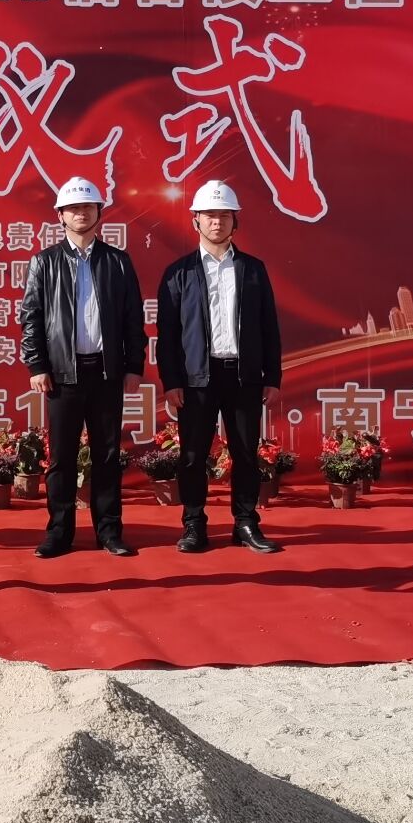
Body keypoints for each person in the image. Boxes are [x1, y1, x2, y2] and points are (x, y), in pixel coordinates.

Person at [154, 179, 285, 555]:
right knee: (193, 455)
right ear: (195, 220)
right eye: (209, 215)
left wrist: (272, 377)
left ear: (235, 221)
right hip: (196, 378)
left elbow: (268, 327)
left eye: (224, 215)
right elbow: (167, 334)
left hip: (244, 376)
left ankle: (245, 523)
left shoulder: (253, 270)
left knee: (245, 453)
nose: (217, 222)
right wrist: (171, 381)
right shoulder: (179, 273)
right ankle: (194, 524)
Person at [19, 177, 148, 558]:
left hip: (106, 373)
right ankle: (59, 532)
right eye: (73, 208)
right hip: (63, 375)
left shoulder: (117, 262)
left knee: (107, 455)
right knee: (62, 458)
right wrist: (37, 365)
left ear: (98, 213)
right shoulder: (44, 262)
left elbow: (133, 319)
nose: (81, 213)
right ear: (60, 215)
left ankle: (109, 531)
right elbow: (31, 318)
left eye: (87, 207)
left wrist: (134, 365)